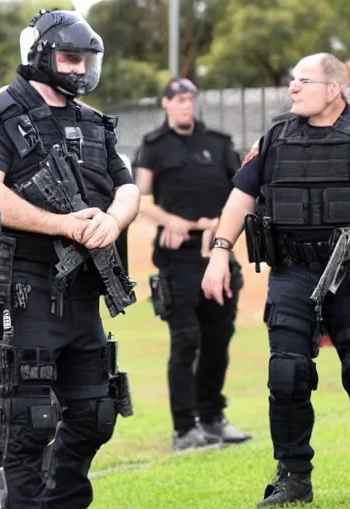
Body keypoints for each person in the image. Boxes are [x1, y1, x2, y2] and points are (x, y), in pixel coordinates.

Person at [0, 9, 140, 509]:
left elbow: (128, 186)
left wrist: (114, 219)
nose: (80, 70)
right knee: (28, 422)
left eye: (87, 60)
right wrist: (61, 223)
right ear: (38, 56)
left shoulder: (93, 121)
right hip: (24, 285)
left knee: (95, 414)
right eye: (69, 58)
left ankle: (59, 504)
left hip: (84, 289)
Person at [202, 53, 350, 508]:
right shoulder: (276, 136)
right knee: (287, 373)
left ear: (333, 89)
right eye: (292, 82)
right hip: (292, 272)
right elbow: (241, 197)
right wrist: (219, 253)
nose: (293, 88)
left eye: (303, 81)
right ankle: (293, 477)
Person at [134, 77, 251, 451]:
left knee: (218, 341)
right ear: (165, 104)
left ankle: (213, 418)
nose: (186, 105)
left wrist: (218, 225)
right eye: (178, 100)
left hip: (217, 254)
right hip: (178, 260)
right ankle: (185, 429)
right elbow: (139, 197)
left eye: (190, 99)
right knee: (186, 342)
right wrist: (170, 220)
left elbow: (243, 192)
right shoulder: (154, 147)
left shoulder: (218, 143)